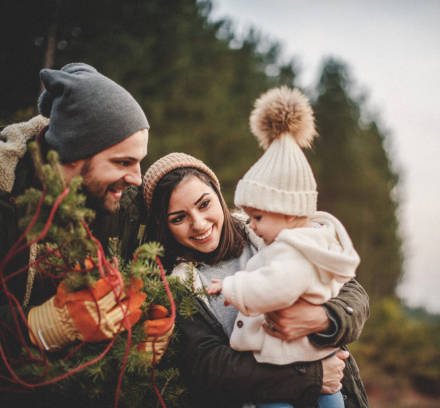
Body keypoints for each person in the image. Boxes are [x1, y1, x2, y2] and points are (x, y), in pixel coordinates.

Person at [142, 150, 370, 407]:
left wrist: (322, 319)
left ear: (218, 195)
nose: (198, 223)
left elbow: (354, 295)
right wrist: (312, 377)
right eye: (179, 218)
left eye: (204, 204)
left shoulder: (270, 232)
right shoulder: (176, 287)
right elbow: (210, 367)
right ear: (165, 225)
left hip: (335, 393)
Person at [0, 63, 170, 397]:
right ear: (73, 154)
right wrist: (39, 327)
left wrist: (144, 328)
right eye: (123, 162)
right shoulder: (7, 202)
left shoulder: (122, 205)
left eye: (140, 161)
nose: (137, 177)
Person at [203, 86, 360, 408]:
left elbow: (274, 287)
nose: (253, 225)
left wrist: (233, 288)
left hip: (290, 362)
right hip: (315, 359)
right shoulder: (317, 242)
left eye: (258, 216)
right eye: (249, 216)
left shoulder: (293, 250)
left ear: (288, 212)